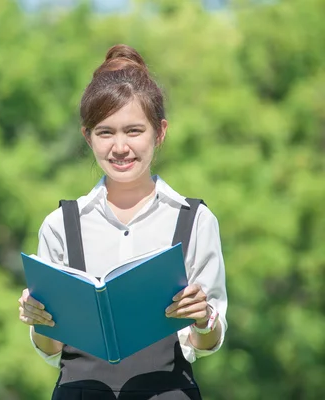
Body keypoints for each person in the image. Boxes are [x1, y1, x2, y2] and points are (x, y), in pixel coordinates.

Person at [17, 44, 228, 400]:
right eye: (105, 132)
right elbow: (51, 350)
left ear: (159, 132)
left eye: (134, 131)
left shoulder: (194, 220)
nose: (120, 147)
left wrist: (203, 317)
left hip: (167, 392)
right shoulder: (60, 225)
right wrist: (39, 320)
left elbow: (206, 342)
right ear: (87, 137)